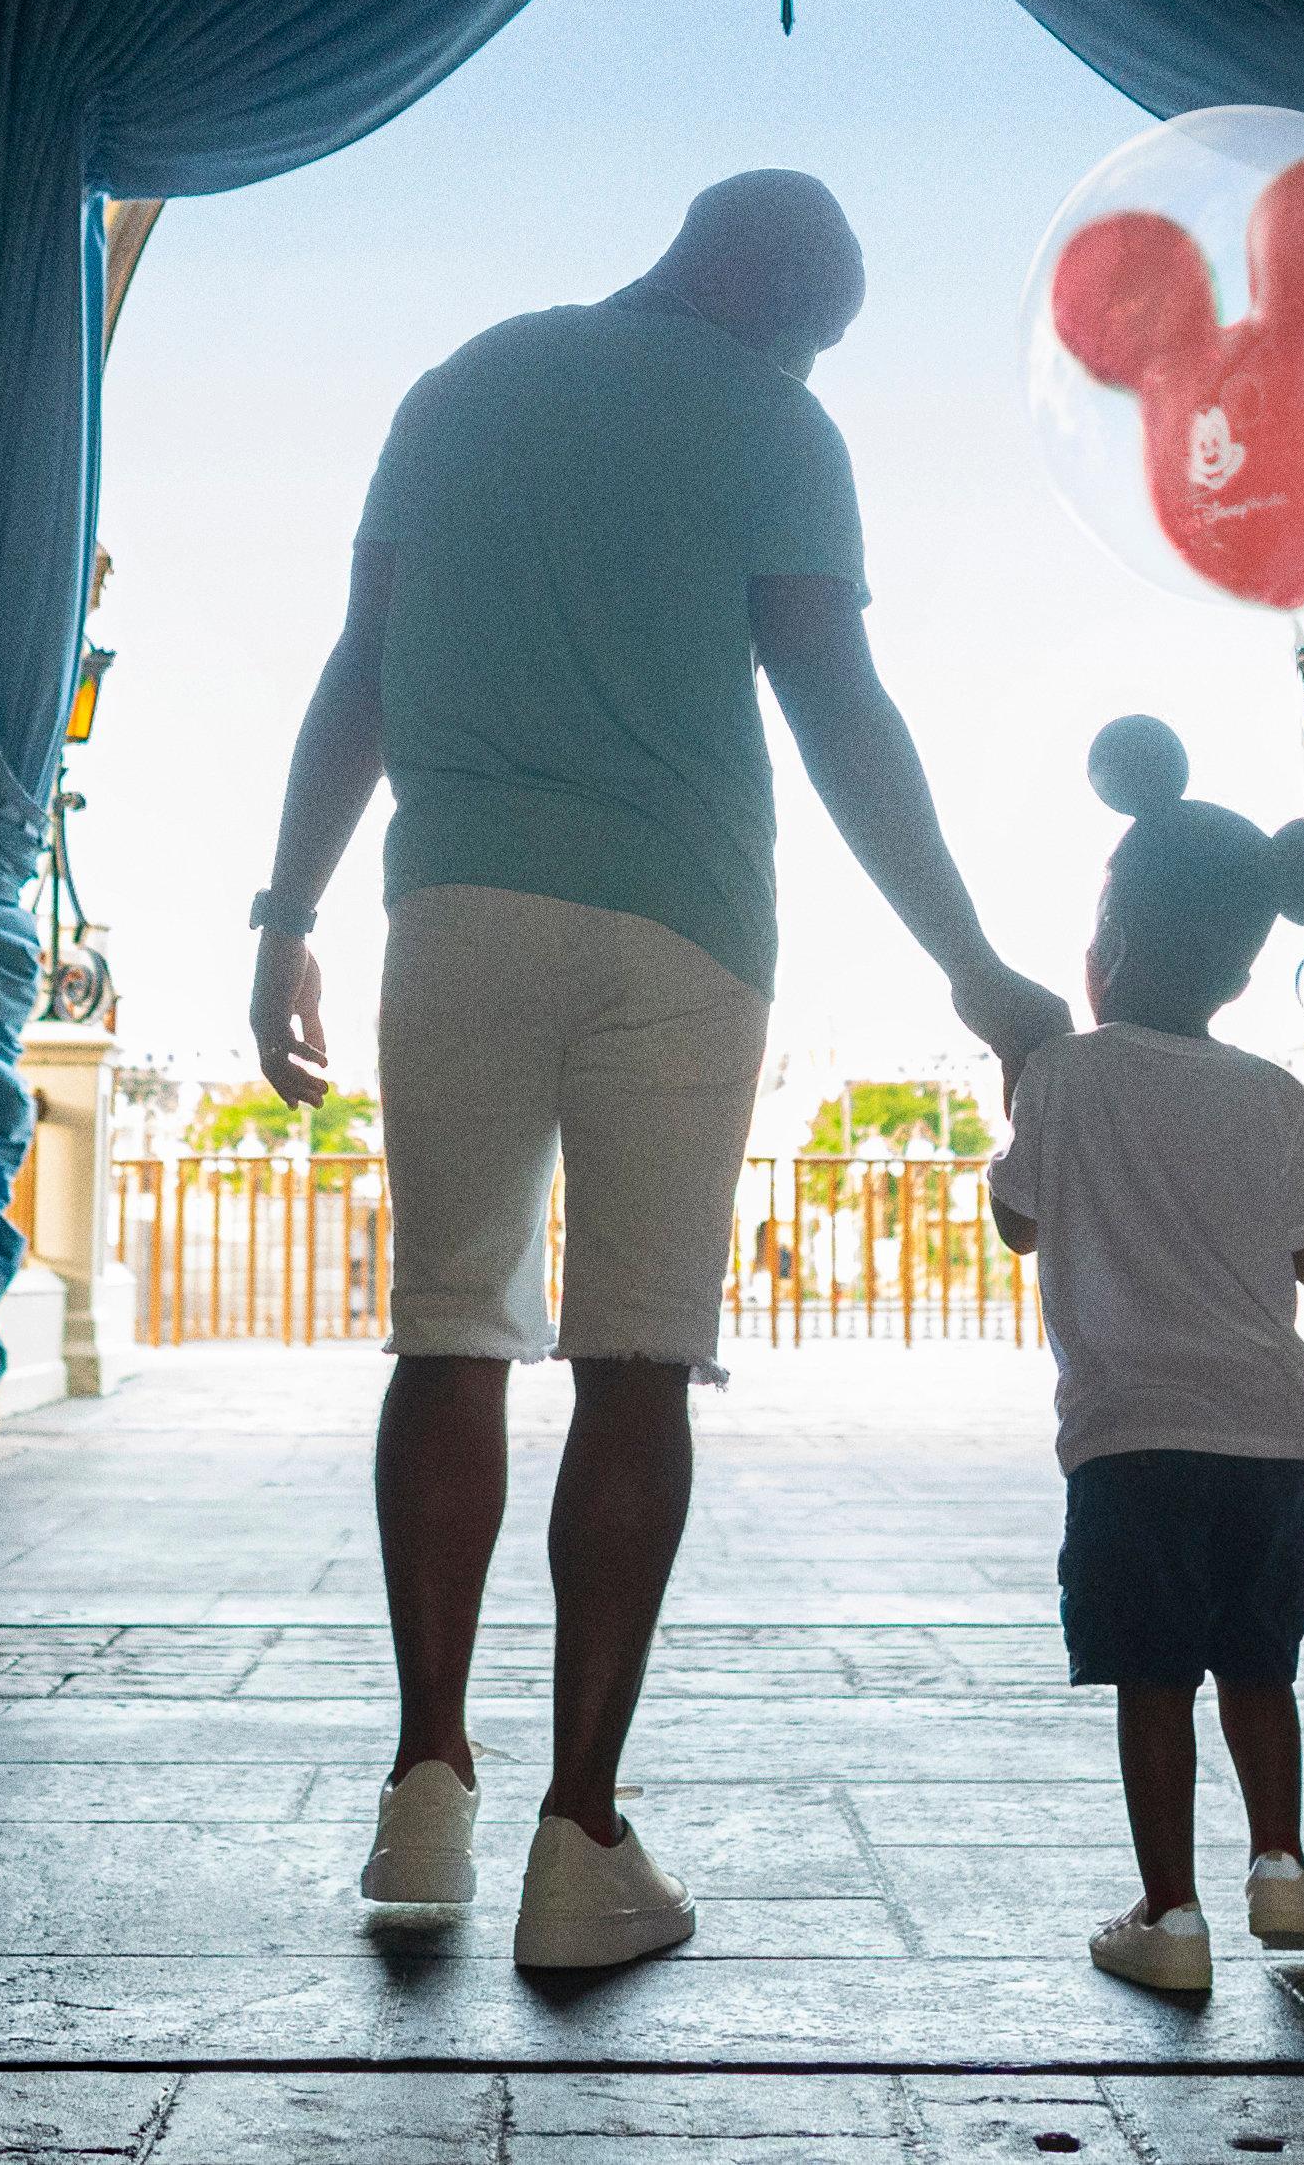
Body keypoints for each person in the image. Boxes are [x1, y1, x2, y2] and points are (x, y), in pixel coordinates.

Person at [250, 169, 1069, 1969]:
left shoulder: (461, 384)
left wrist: (283, 909)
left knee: (448, 1322)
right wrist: (975, 963)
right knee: (635, 1362)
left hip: (451, 904)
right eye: (814, 333)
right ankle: (579, 1834)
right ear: (780, 298)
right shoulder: (779, 424)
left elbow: (360, 669)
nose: (807, 361)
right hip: (685, 930)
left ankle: (422, 1789)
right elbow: (836, 703)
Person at [983, 714, 1304, 1996]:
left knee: (1153, 1677)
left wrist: (1013, 1094)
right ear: (1244, 978)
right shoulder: (1273, 1093)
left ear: (1112, 949)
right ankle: (1285, 1866)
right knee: (1259, 1661)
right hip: (1268, 1436)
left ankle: (1170, 1914)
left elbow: (1019, 1220)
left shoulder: (1063, 1077)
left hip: (1129, 1435)